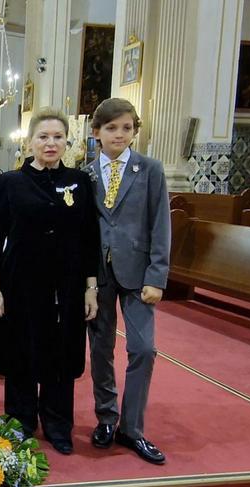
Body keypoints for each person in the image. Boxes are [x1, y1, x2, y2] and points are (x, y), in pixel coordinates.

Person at [0, 107, 100, 455]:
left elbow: (90, 236)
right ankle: (21, 421)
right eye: (43, 137)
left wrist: (91, 287)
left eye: (57, 137)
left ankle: (59, 424)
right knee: (21, 351)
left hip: (68, 283)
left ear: (67, 141)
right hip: (21, 281)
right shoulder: (10, 182)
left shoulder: (79, 181)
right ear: (29, 141)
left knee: (60, 354)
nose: (50, 143)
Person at [86, 98, 170, 465]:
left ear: (135, 130)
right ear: (97, 134)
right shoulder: (85, 175)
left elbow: (160, 225)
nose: (119, 135)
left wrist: (158, 276)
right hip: (98, 276)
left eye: (126, 128)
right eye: (111, 128)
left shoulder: (149, 170)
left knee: (143, 349)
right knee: (101, 349)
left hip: (139, 276)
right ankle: (107, 417)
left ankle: (132, 428)